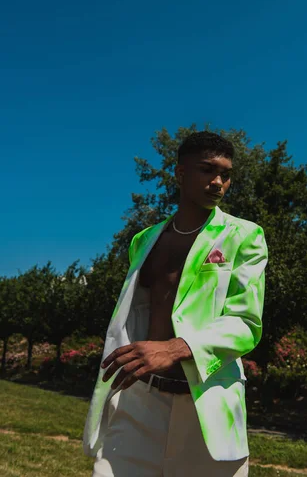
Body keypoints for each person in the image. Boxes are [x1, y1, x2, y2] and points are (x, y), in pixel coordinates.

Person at [83, 131, 268, 476]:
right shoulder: (144, 241)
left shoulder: (244, 236)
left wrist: (175, 348)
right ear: (180, 173)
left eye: (226, 174)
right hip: (140, 399)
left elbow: (246, 324)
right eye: (207, 170)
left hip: (207, 405)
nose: (218, 182)